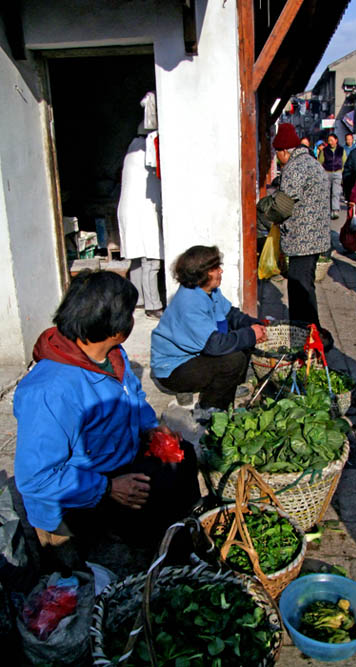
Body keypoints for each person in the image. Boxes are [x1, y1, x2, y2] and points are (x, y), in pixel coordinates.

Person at [14, 270, 200, 572]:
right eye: (129, 314)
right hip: (80, 492)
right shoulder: (50, 389)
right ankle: (155, 556)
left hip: (116, 461)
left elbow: (134, 396)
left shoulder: (112, 354)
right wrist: (107, 488)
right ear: (116, 327)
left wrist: (150, 426)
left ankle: (181, 538)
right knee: (151, 505)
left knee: (184, 457)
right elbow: (37, 478)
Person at [151, 245, 267, 418]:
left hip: (195, 354)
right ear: (201, 274)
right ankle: (209, 409)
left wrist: (256, 325)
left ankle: (229, 386)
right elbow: (215, 346)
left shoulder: (210, 292)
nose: (221, 271)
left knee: (243, 339)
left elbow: (231, 315)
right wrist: (250, 334)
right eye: (215, 268)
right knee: (233, 359)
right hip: (173, 370)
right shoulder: (190, 303)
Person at [272, 123, 333, 347]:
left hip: (302, 238)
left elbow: (283, 204)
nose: (277, 158)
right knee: (304, 285)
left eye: (277, 153)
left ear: (284, 150)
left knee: (299, 288)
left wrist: (264, 213)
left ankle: (307, 336)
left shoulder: (295, 167)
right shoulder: (311, 162)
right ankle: (310, 331)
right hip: (315, 236)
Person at [117, 122, 164, 319]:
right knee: (151, 259)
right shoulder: (148, 149)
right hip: (143, 211)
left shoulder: (132, 148)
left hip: (130, 209)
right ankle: (153, 306)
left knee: (136, 258)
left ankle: (138, 301)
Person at [319, 133, 344, 219]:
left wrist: (342, 172)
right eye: (329, 141)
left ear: (336, 140)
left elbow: (344, 161)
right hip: (327, 172)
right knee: (327, 192)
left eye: (332, 140)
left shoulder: (341, 150)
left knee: (336, 192)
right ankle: (327, 210)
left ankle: (335, 210)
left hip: (337, 172)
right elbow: (320, 162)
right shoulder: (324, 150)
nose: (330, 142)